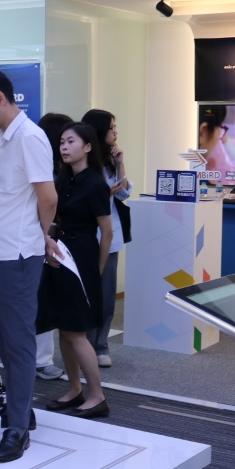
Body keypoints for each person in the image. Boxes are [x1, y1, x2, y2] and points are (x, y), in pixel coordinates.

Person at [0, 68, 56, 463]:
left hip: (18, 254)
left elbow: (48, 197)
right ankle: (22, 410)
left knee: (18, 343)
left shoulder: (30, 137)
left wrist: (42, 236)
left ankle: (17, 428)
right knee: (4, 337)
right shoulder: (9, 137)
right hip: (0, 251)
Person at [39, 122, 112, 419]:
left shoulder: (95, 183)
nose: (64, 147)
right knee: (65, 328)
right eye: (62, 142)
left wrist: (97, 270)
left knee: (76, 331)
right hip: (60, 254)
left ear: (88, 147)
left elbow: (106, 233)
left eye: (71, 141)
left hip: (82, 257)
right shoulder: (62, 179)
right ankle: (74, 389)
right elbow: (55, 220)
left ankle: (97, 396)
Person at [81, 109, 131, 367]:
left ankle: (101, 346)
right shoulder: (82, 161)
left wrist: (120, 163)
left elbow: (125, 193)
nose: (116, 132)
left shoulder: (111, 160)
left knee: (106, 296)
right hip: (85, 237)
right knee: (86, 295)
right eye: (112, 127)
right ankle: (84, 346)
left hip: (109, 239)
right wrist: (102, 194)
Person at [33, 113, 74, 381]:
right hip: (40, 239)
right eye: (64, 140)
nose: (67, 145)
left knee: (47, 300)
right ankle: (40, 360)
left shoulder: (63, 169)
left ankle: (41, 359)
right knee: (40, 299)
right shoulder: (43, 167)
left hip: (55, 240)